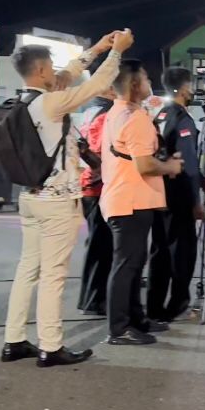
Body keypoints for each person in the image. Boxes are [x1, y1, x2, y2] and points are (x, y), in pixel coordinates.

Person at [3, 30, 127, 368]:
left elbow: (70, 74)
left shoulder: (23, 102)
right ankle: (51, 346)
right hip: (57, 201)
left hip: (30, 197)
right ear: (42, 70)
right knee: (53, 275)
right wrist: (116, 53)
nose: (57, 72)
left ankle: (14, 340)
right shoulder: (51, 103)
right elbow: (93, 84)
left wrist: (97, 48)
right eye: (51, 67)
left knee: (28, 268)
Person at [101, 59, 180, 345]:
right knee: (126, 266)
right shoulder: (134, 119)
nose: (150, 82)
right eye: (146, 77)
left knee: (133, 265)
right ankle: (119, 328)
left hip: (126, 198)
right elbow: (145, 165)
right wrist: (170, 167)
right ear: (135, 85)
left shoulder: (119, 112)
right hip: (129, 201)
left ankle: (135, 319)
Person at [148, 67, 205, 324]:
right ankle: (178, 304)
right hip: (178, 194)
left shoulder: (159, 114)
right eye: (191, 84)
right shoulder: (183, 119)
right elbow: (189, 166)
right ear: (183, 89)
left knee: (159, 250)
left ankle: (154, 305)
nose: (193, 89)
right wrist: (196, 201)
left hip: (157, 192)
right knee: (182, 252)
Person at [77, 87, 115, 316]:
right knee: (101, 246)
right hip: (98, 186)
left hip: (88, 185)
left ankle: (94, 297)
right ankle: (94, 299)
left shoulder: (90, 110)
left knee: (97, 244)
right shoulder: (106, 113)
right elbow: (99, 151)